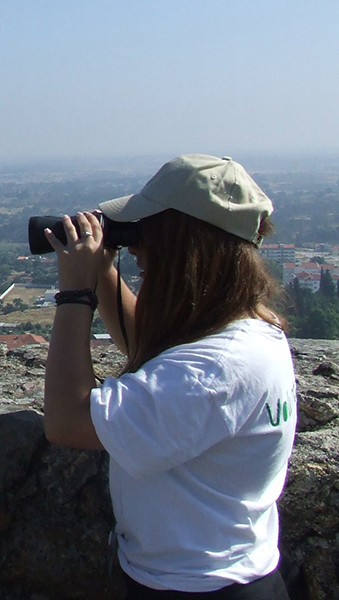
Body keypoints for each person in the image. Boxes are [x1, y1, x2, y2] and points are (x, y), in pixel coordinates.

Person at [42, 155, 296, 599]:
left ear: (182, 247)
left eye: (146, 235)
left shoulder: (214, 370)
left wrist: (75, 294)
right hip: (232, 577)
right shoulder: (252, 333)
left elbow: (67, 420)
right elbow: (153, 352)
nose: (139, 250)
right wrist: (103, 272)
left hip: (192, 588)